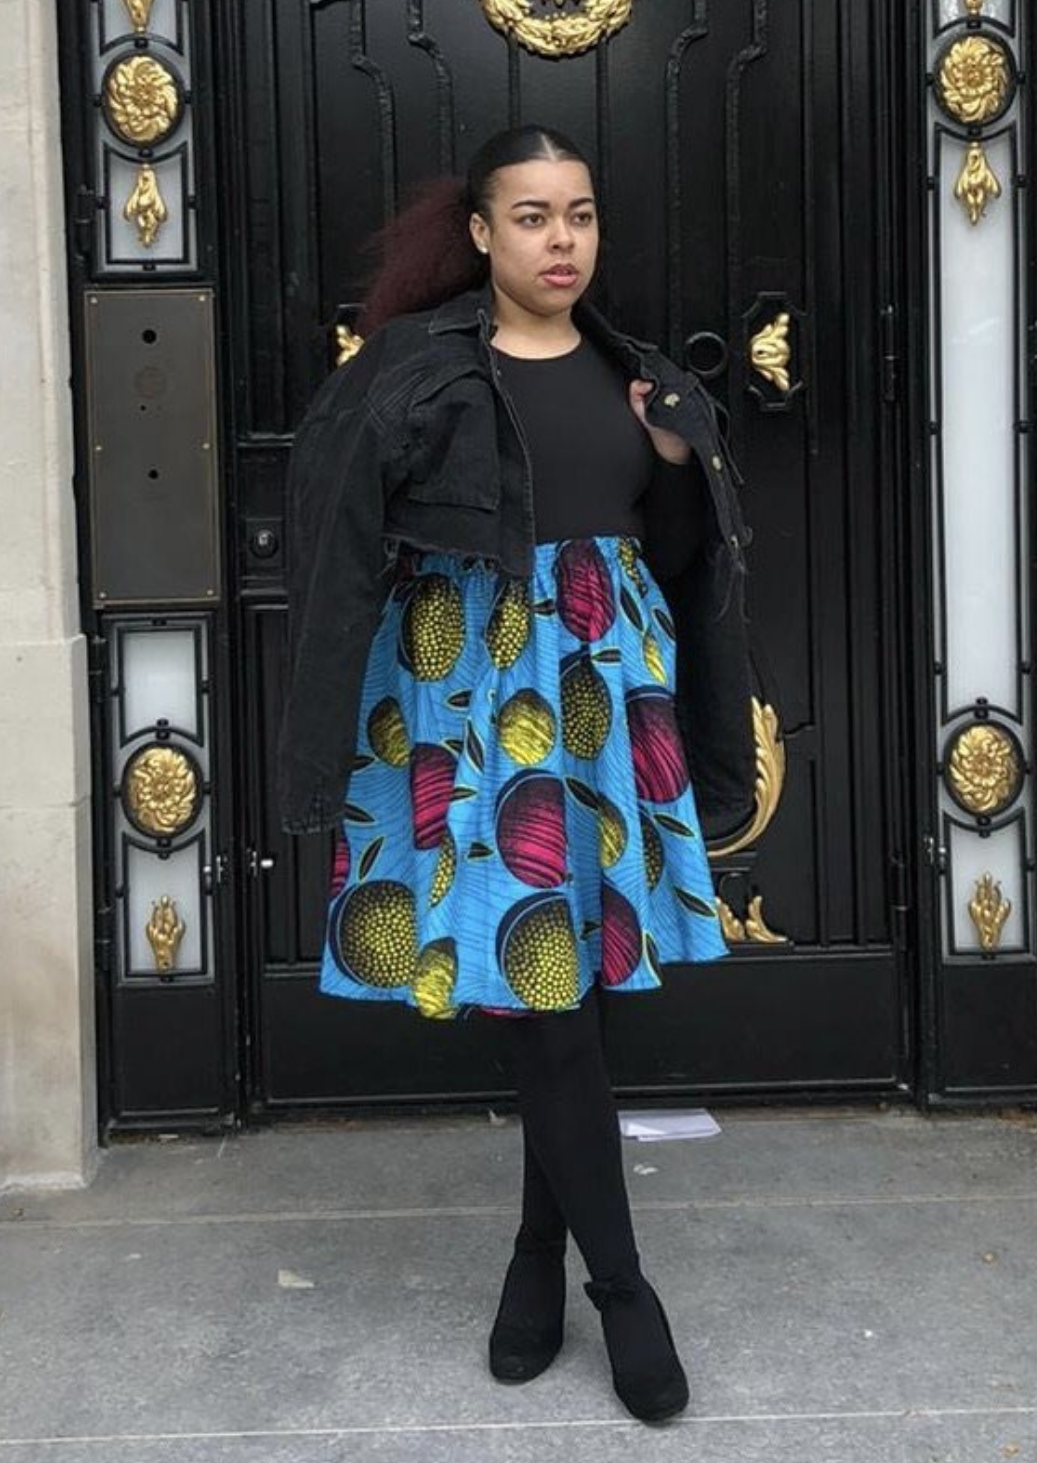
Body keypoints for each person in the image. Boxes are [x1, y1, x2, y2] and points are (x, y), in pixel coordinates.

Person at [278, 124, 755, 1424]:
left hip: (604, 710)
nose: (562, 241)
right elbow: (331, 537)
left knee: (574, 996)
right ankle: (624, 1291)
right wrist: (323, 743)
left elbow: (680, 556)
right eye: (533, 216)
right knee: (550, 995)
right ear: (481, 234)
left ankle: (537, 1255)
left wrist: (672, 469)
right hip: (480, 708)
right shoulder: (418, 376)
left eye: (581, 215)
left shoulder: (639, 379)